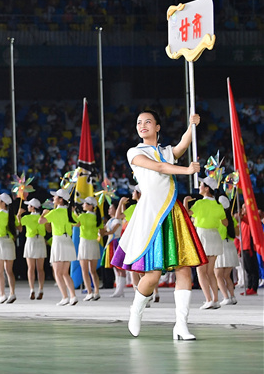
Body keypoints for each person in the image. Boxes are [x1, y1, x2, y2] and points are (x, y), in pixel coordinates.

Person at [110, 111, 205, 340]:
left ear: (158, 127)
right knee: (153, 275)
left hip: (172, 212)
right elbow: (160, 168)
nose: (142, 125)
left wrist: (191, 126)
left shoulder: (165, 151)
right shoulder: (135, 152)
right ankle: (136, 309)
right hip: (151, 215)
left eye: (148, 122)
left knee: (184, 269)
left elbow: (183, 145)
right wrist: (187, 171)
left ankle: (181, 325)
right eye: (139, 123)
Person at [184, 176, 227, 309]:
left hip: (202, 235)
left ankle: (208, 299)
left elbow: (186, 214)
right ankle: (215, 299)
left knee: (201, 271)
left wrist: (185, 201)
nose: (200, 187)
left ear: (207, 188)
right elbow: (225, 222)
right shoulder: (218, 205)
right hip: (215, 236)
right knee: (210, 272)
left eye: (201, 185)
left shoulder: (200, 204)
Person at [41, 188, 78, 306]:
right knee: (65, 273)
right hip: (68, 241)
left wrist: (44, 213)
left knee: (58, 273)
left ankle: (65, 297)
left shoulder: (55, 212)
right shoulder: (68, 212)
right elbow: (78, 223)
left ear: (61, 200)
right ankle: (72, 296)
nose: (53, 199)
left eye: (56, 197)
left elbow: (41, 221)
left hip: (58, 242)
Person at [74, 196, 103, 302]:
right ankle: (96, 292)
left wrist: (73, 212)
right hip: (94, 244)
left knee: (85, 270)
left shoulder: (83, 216)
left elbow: (75, 223)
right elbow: (102, 231)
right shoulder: (97, 217)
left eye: (85, 203)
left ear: (91, 206)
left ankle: (89, 292)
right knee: (93, 271)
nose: (83, 205)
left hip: (85, 243)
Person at [18, 198, 47, 300]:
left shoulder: (26, 218)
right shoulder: (42, 217)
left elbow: (19, 227)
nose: (27, 207)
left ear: (33, 207)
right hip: (40, 241)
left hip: (30, 241)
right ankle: (41, 289)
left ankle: (32, 289)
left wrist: (18, 215)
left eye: (29, 205)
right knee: (40, 268)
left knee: (31, 268)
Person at [214, 196, 238, 305]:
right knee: (227, 275)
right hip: (231, 247)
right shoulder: (232, 219)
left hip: (220, 246)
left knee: (218, 275)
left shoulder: (218, 218)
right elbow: (237, 233)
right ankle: (232, 297)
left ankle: (226, 297)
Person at [237, 203, 259, 296]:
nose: (243, 209)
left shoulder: (251, 219)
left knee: (252, 269)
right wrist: (239, 250)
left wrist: (240, 217)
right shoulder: (242, 221)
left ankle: (253, 288)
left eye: (244, 208)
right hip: (244, 247)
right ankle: (249, 287)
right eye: (242, 208)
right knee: (247, 269)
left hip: (250, 248)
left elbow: (246, 221)